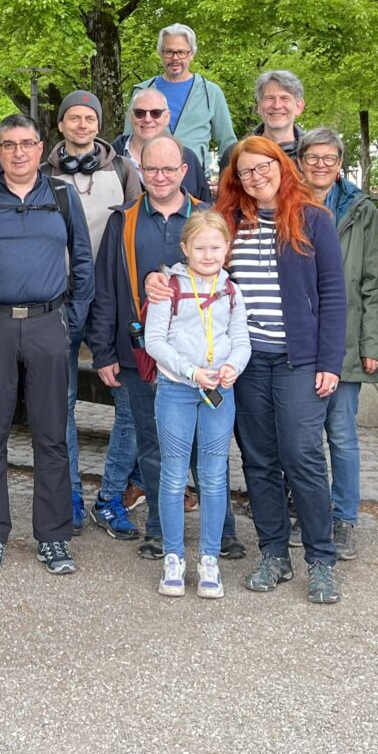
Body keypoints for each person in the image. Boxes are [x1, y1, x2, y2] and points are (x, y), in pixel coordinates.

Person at [0, 114, 94, 575]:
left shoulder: (62, 196)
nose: (19, 152)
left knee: (52, 437)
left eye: (27, 144)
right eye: (9, 145)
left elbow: (82, 261)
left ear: (41, 147)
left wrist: (74, 323)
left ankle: (54, 537)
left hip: (49, 324)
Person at [88, 133, 247, 563]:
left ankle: (224, 532)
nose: (159, 176)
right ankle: (159, 532)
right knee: (153, 445)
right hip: (140, 353)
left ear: (183, 171)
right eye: (151, 169)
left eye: (168, 169)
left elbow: (228, 283)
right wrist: (102, 351)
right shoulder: (123, 221)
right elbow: (105, 288)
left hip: (205, 361)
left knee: (210, 450)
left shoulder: (207, 217)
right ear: (141, 172)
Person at [209, 134, 346, 604]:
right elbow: (200, 268)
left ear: (280, 164)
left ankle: (321, 559)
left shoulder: (312, 218)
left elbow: (333, 295)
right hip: (246, 361)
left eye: (263, 165)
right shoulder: (228, 222)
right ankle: (273, 552)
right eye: (245, 171)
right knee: (259, 459)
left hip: (299, 360)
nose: (255, 176)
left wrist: (329, 360)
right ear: (236, 179)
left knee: (302, 455)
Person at [42, 89, 140, 536]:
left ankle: (111, 495)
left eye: (90, 118)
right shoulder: (41, 173)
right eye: (73, 118)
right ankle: (70, 496)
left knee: (130, 402)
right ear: (60, 125)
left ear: (99, 125)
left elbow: (141, 225)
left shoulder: (123, 169)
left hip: (114, 300)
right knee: (58, 403)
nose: (82, 125)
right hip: (58, 299)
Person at [142, 210, 251, 598]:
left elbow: (241, 340)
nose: (208, 254)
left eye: (216, 247)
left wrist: (232, 367)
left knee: (213, 475)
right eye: (200, 247)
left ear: (227, 249)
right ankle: (173, 556)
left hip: (219, 393)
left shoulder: (232, 291)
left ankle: (209, 559)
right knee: (173, 475)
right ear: (185, 248)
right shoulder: (169, 286)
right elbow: (154, 340)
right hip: (177, 389)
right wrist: (191, 372)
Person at [297, 127, 378, 561]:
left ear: (339, 163)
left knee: (342, 435)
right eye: (312, 157)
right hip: (299, 340)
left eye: (329, 158)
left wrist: (373, 342)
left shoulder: (359, 208)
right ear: (300, 161)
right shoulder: (287, 204)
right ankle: (310, 511)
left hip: (348, 339)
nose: (320, 165)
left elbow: (373, 281)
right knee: (302, 437)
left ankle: (344, 516)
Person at [126, 24, 236, 168]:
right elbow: (127, 140)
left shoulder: (211, 92)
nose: (175, 58)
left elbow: (228, 143)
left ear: (192, 54)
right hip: (151, 177)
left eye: (181, 52)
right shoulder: (142, 92)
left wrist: (226, 179)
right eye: (169, 52)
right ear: (160, 53)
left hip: (196, 180)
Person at [112, 85, 211, 200]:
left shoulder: (188, 158)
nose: (147, 119)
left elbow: (204, 210)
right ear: (131, 116)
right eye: (140, 113)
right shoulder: (110, 159)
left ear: (167, 117)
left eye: (156, 113)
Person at [220, 70, 306, 169]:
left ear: (299, 107)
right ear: (259, 106)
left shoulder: (314, 153)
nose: (277, 105)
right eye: (270, 98)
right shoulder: (235, 154)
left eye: (284, 98)